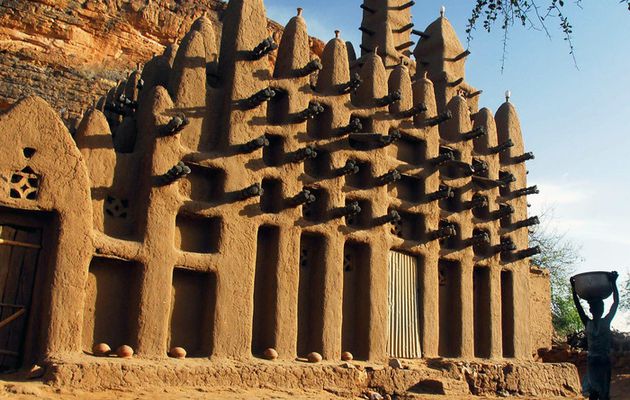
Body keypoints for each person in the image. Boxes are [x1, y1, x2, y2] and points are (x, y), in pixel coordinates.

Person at [570, 271, 619, 400]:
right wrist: (614, 283)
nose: (599, 309)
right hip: (599, 361)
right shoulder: (604, 322)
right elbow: (615, 303)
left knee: (597, 393)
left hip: (597, 361)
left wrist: (574, 290)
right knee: (599, 393)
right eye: (599, 307)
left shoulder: (590, 323)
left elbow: (578, 306)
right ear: (598, 309)